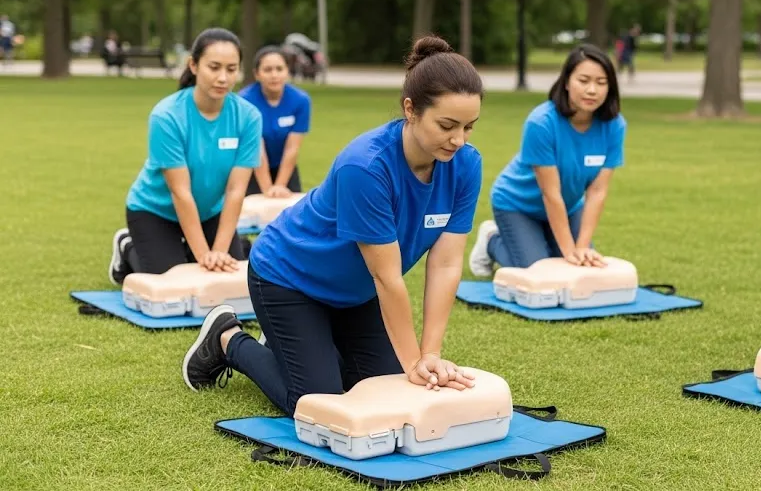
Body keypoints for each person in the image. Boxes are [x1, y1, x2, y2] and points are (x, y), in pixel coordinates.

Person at [180, 36, 485, 415]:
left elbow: (446, 264)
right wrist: (413, 365)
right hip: (288, 277)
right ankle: (227, 339)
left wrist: (430, 354)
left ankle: (299, 346)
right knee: (316, 402)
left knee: (380, 389)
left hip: (355, 293)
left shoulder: (466, 165)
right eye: (447, 125)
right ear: (411, 109)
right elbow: (387, 278)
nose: (458, 140)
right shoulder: (366, 167)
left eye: (469, 127)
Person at [107, 28, 262, 284]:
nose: (223, 78)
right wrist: (204, 257)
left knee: (228, 278)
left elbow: (236, 190)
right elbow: (180, 192)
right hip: (155, 211)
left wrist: (219, 252)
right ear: (193, 65)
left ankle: (206, 250)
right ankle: (128, 247)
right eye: (214, 67)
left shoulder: (249, 117)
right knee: (176, 283)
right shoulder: (167, 115)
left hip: (210, 212)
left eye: (231, 69)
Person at [468, 43, 626, 277]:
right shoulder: (541, 122)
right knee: (540, 274)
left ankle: (546, 246)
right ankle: (491, 240)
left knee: (581, 267)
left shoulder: (614, 126)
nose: (592, 90)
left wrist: (582, 247)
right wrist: (568, 251)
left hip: (569, 206)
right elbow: (550, 193)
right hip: (517, 205)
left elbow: (597, 192)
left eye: (601, 82)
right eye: (583, 81)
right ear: (566, 81)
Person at [239, 45, 312, 197]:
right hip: (251, 166)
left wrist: (280, 185)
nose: (274, 75)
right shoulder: (244, 101)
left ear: (287, 71)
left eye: (279, 69)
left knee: (293, 209)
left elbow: (292, 148)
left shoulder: (301, 100)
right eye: (267, 70)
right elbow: (257, 149)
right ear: (257, 74)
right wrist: (267, 190)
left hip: (285, 166)